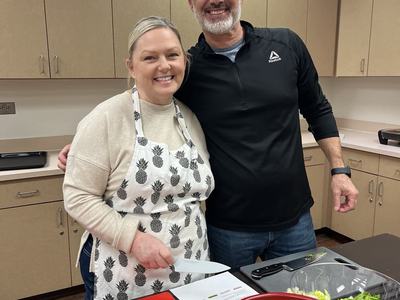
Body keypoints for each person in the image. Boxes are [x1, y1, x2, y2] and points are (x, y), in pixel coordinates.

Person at [60, 0, 358, 271]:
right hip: (227, 229)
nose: (215, 1)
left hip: (295, 221)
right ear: (191, 3)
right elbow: (149, 97)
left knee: (301, 292)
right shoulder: (190, 68)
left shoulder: (286, 44)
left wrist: (339, 170)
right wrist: (90, 144)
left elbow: (317, 108)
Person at [63, 16, 214, 299]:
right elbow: (77, 196)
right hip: (126, 269)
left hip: (191, 263)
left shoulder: (190, 118)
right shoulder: (106, 118)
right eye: (150, 57)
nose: (164, 65)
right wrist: (133, 240)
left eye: (172, 55)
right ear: (131, 67)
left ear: (184, 61)